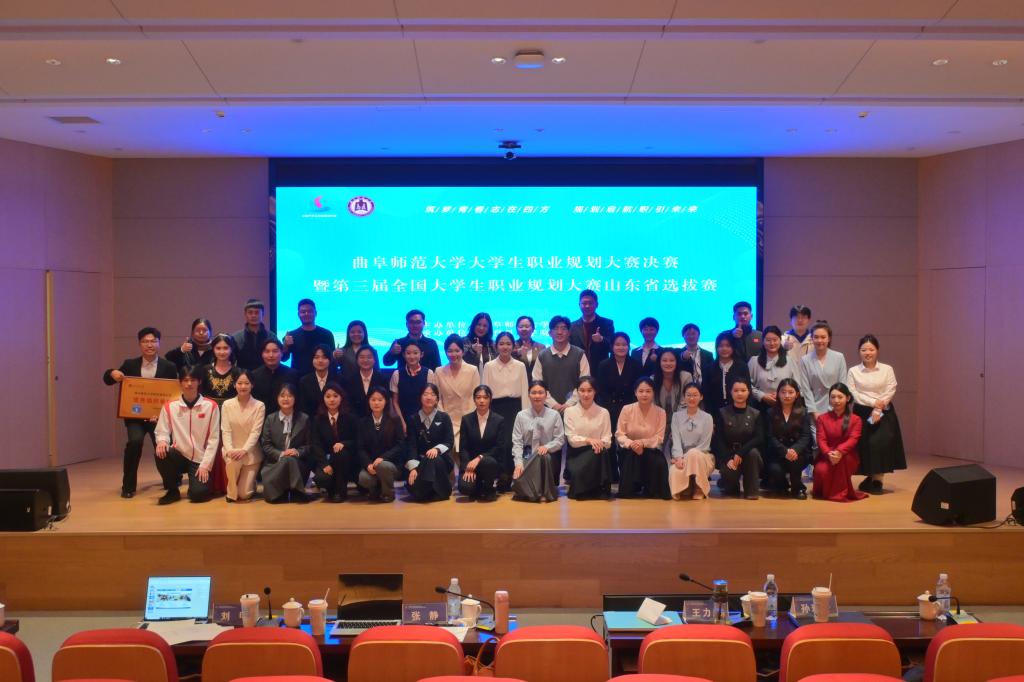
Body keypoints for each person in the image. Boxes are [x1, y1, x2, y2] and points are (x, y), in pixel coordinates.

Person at [102, 326, 178, 498]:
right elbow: (108, 379)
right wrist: (112, 373)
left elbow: (173, 394)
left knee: (163, 445)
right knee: (134, 442)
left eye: (153, 341)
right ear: (139, 344)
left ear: (159, 343)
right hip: (135, 417)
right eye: (145, 341)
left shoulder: (169, 366)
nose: (149, 345)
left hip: (159, 418)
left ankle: (171, 482)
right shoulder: (130, 364)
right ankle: (128, 486)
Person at [847, 334, 906, 494]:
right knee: (866, 445)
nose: (868, 353)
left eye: (871, 349)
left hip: (884, 411)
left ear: (877, 350)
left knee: (881, 443)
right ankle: (870, 477)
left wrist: (879, 408)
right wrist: (874, 403)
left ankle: (877, 480)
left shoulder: (887, 369)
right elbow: (853, 392)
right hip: (862, 411)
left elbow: (891, 388)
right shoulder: (853, 371)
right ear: (859, 351)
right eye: (864, 350)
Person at [533, 315, 590, 479]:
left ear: (569, 332)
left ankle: (573, 477)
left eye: (564, 328)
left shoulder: (579, 354)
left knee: (574, 443)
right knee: (551, 444)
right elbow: (537, 382)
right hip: (548, 408)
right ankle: (552, 480)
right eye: (556, 328)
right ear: (549, 332)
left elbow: (585, 381)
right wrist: (553, 404)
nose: (559, 332)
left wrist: (569, 403)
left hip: (575, 408)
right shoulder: (543, 355)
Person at [153, 365, 219, 505]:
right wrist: (162, 441)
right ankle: (172, 490)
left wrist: (205, 465)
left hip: (200, 459)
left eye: (193, 380)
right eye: (185, 380)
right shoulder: (170, 406)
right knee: (161, 451)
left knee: (198, 495)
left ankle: (195, 486)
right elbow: (162, 430)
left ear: (199, 381)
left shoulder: (211, 406)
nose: (189, 384)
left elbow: (214, 439)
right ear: (180, 382)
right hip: (179, 455)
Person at [483, 331, 530, 492]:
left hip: (514, 408)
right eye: (501, 343)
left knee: (512, 442)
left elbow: (524, 391)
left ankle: (511, 475)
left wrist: (525, 414)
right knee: (499, 443)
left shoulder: (520, 365)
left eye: (508, 344)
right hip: (495, 408)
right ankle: (500, 476)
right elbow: (485, 391)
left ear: (513, 346)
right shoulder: (489, 366)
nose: (505, 347)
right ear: (496, 346)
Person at [595, 332, 642, 483]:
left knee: (626, 441)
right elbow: (601, 389)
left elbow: (638, 388)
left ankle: (627, 475)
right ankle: (612, 475)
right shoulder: (603, 365)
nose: (621, 347)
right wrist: (608, 407)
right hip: (609, 408)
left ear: (628, 346)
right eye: (617, 344)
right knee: (609, 441)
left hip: (630, 409)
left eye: (624, 344)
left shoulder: (635, 364)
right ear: (612, 347)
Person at [511, 380, 564, 503]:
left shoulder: (554, 415)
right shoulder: (521, 415)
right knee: (517, 478)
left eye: (540, 392)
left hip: (549, 456)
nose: (537, 396)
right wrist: (518, 463)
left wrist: (547, 447)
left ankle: (542, 492)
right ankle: (538, 492)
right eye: (533, 393)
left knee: (544, 457)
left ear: (546, 394)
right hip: (528, 455)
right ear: (528, 395)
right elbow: (517, 442)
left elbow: (560, 439)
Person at [200, 333, 240, 496]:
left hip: (231, 415)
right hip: (209, 414)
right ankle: (208, 483)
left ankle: (227, 485)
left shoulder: (238, 371)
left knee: (227, 447)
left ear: (231, 349)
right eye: (218, 348)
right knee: (211, 447)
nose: (222, 352)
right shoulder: (204, 370)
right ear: (213, 349)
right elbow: (200, 394)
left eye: (226, 348)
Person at [616, 377, 669, 499]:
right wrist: (632, 444)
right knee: (631, 456)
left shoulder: (661, 412)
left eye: (648, 391)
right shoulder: (626, 409)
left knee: (659, 462)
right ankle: (631, 488)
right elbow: (620, 434)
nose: (644, 394)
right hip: (629, 449)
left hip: (650, 449)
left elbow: (659, 438)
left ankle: (652, 489)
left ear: (653, 393)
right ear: (635, 392)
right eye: (641, 391)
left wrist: (642, 443)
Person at [259, 383, 314, 503]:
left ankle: (290, 490)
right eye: (282, 395)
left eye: (289, 396)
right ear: (277, 398)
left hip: (298, 463)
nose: (286, 399)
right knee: (287, 459)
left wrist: (297, 452)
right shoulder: (270, 419)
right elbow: (266, 445)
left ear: (295, 398)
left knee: (290, 460)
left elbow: (309, 445)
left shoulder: (304, 418)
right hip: (275, 464)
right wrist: (282, 454)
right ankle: (297, 491)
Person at [813, 383, 867, 502]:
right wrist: (829, 454)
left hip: (847, 455)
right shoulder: (822, 418)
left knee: (842, 462)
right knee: (820, 470)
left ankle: (838, 493)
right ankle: (827, 492)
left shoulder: (856, 419)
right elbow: (821, 440)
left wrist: (839, 452)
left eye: (840, 397)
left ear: (847, 398)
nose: (836, 400)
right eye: (833, 397)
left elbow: (853, 439)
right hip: (827, 455)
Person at [219, 369, 265, 503]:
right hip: (232, 451)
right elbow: (225, 431)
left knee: (244, 495)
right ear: (234, 384)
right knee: (232, 462)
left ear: (252, 385)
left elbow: (256, 432)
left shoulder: (259, 406)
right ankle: (231, 493)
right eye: (239, 383)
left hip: (251, 454)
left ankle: (251, 484)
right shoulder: (227, 404)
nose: (243, 386)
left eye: (246, 383)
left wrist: (244, 450)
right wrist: (230, 450)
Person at [713, 378, 764, 500]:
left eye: (743, 390)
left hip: (747, 453)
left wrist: (740, 453)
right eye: (736, 390)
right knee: (730, 490)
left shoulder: (756, 413)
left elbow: (759, 437)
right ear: (730, 392)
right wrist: (727, 458)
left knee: (753, 453)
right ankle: (727, 483)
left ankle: (751, 491)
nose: (739, 393)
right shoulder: (722, 412)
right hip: (729, 453)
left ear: (748, 392)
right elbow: (718, 439)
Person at [563, 377, 613, 499]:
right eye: (582, 390)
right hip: (577, 454)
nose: (586, 394)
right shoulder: (569, 411)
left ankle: (598, 490)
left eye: (589, 390)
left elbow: (608, 440)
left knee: (601, 452)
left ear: (595, 391)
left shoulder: (604, 412)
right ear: (577, 392)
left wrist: (598, 444)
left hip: (598, 452)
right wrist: (589, 440)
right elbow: (572, 440)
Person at [405, 384, 455, 502]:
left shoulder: (444, 417)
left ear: (437, 399)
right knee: (426, 461)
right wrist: (413, 468)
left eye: (432, 395)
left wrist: (436, 449)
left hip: (442, 460)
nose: (429, 397)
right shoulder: (413, 419)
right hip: (420, 462)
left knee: (432, 458)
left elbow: (449, 441)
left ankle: (423, 490)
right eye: (425, 394)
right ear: (420, 397)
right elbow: (411, 445)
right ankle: (438, 490)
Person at [310, 382, 359, 502]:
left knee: (341, 453)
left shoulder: (350, 418)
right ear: (323, 399)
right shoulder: (317, 419)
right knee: (321, 479)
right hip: (327, 459)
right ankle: (331, 490)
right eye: (328, 396)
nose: (332, 399)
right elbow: (315, 444)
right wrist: (324, 464)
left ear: (341, 397)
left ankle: (340, 492)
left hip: (347, 459)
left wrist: (344, 444)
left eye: (335, 396)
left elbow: (357, 441)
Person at [436, 334, 481, 464]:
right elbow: (437, 399)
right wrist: (444, 418)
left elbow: (476, 397)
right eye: (450, 351)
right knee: (448, 461)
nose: (453, 354)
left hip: (467, 420)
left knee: (466, 461)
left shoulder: (472, 370)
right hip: (447, 421)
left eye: (457, 350)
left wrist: (471, 419)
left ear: (462, 351)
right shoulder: (439, 371)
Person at [356, 386, 406, 502]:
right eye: (373, 399)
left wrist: (383, 458)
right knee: (363, 478)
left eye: (380, 399)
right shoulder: (362, 422)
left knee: (383, 466)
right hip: (371, 464)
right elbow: (360, 448)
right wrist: (368, 464)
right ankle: (375, 490)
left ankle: (388, 493)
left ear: (386, 401)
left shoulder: (395, 420)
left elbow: (400, 445)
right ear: (368, 401)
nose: (376, 403)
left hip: (391, 464)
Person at [766, 378, 812, 499]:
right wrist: (785, 451)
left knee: (796, 462)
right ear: (778, 393)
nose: (787, 395)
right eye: (783, 392)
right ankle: (782, 486)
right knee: (775, 469)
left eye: (790, 392)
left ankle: (798, 488)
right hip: (778, 452)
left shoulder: (803, 412)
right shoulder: (770, 412)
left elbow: (805, 436)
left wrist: (794, 450)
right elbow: (770, 436)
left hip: (798, 453)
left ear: (797, 394)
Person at [458, 385, 505, 501]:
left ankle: (489, 487)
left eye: (485, 397)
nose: (482, 401)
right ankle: (478, 486)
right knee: (465, 488)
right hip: (471, 465)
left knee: (488, 462)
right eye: (478, 397)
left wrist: (480, 458)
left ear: (490, 399)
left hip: (490, 463)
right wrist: (467, 467)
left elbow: (499, 447)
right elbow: (463, 448)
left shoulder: (499, 420)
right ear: (474, 400)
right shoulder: (466, 419)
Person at [670, 383, 715, 500]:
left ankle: (699, 487)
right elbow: (676, 441)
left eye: (695, 395)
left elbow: (704, 445)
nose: (691, 398)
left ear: (701, 397)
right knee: (675, 471)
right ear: (684, 397)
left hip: (702, 456)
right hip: (681, 457)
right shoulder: (676, 417)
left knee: (694, 454)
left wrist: (687, 457)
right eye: (688, 395)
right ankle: (688, 484)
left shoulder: (707, 417)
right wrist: (678, 457)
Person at [798, 322, 848, 422]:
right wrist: (814, 411)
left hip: (836, 407)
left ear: (829, 338)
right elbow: (806, 389)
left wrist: (834, 408)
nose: (819, 340)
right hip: (814, 409)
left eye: (823, 337)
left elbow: (843, 385)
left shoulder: (839, 357)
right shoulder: (805, 360)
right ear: (811, 339)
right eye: (816, 337)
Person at [748, 326, 801, 411]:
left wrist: (782, 394)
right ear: (763, 341)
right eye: (768, 340)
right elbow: (747, 385)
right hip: (759, 407)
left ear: (780, 340)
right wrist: (762, 395)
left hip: (785, 406)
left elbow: (798, 385)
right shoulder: (754, 361)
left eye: (775, 340)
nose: (772, 343)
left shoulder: (790, 361)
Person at [281, 298, 336, 377]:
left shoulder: (327, 334)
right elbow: (283, 358)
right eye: (303, 312)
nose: (306, 314)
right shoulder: (291, 335)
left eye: (310, 311)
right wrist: (285, 345)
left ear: (315, 313)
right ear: (298, 314)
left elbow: (332, 359)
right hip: (298, 378)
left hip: (322, 377)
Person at [389, 340, 437, 425]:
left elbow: (431, 399)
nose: (412, 356)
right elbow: (395, 401)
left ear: (421, 354)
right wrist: (402, 422)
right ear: (403, 355)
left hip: (424, 420)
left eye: (415, 353)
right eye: (408, 353)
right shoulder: (397, 374)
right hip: (403, 419)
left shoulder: (429, 373)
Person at [703, 332, 751, 412]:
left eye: (728, 346)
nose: (724, 349)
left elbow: (748, 390)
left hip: (738, 410)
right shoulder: (709, 368)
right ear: (716, 348)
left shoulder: (742, 366)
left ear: (733, 347)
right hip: (715, 412)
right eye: (721, 346)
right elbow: (706, 394)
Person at [251, 339, 299, 415]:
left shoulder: (293, 375)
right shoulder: (254, 375)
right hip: (260, 417)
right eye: (267, 351)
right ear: (262, 354)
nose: (271, 355)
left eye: (275, 351)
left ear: (282, 353)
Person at [570, 289, 615, 369]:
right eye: (584, 303)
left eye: (590, 303)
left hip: (600, 370)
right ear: (579, 305)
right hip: (577, 370)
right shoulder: (572, 326)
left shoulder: (607, 323)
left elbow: (613, 348)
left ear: (596, 304)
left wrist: (601, 339)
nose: (587, 306)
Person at [232, 299, 279, 371]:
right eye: (250, 312)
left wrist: (286, 346)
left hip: (267, 375)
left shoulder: (271, 336)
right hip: (243, 376)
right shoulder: (236, 338)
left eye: (257, 312)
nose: (253, 315)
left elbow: (281, 357)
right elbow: (231, 360)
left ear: (263, 314)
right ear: (245, 314)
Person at [298, 344, 340, 418]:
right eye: (316, 357)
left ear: (330, 360)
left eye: (324, 357)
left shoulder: (338, 380)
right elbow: (302, 408)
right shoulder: (304, 381)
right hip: (311, 421)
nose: (320, 361)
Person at [346, 346, 387, 418]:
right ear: (357, 360)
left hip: (377, 419)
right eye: (362, 357)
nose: (365, 360)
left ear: (374, 360)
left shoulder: (382, 379)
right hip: (355, 420)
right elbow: (348, 404)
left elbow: (386, 402)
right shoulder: (350, 380)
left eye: (369, 357)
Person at [679, 323, 714, 390]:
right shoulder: (679, 354)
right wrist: (683, 358)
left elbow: (712, 374)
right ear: (683, 336)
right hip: (685, 390)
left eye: (693, 334)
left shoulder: (708, 355)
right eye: (688, 334)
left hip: (705, 391)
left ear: (699, 335)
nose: (691, 336)